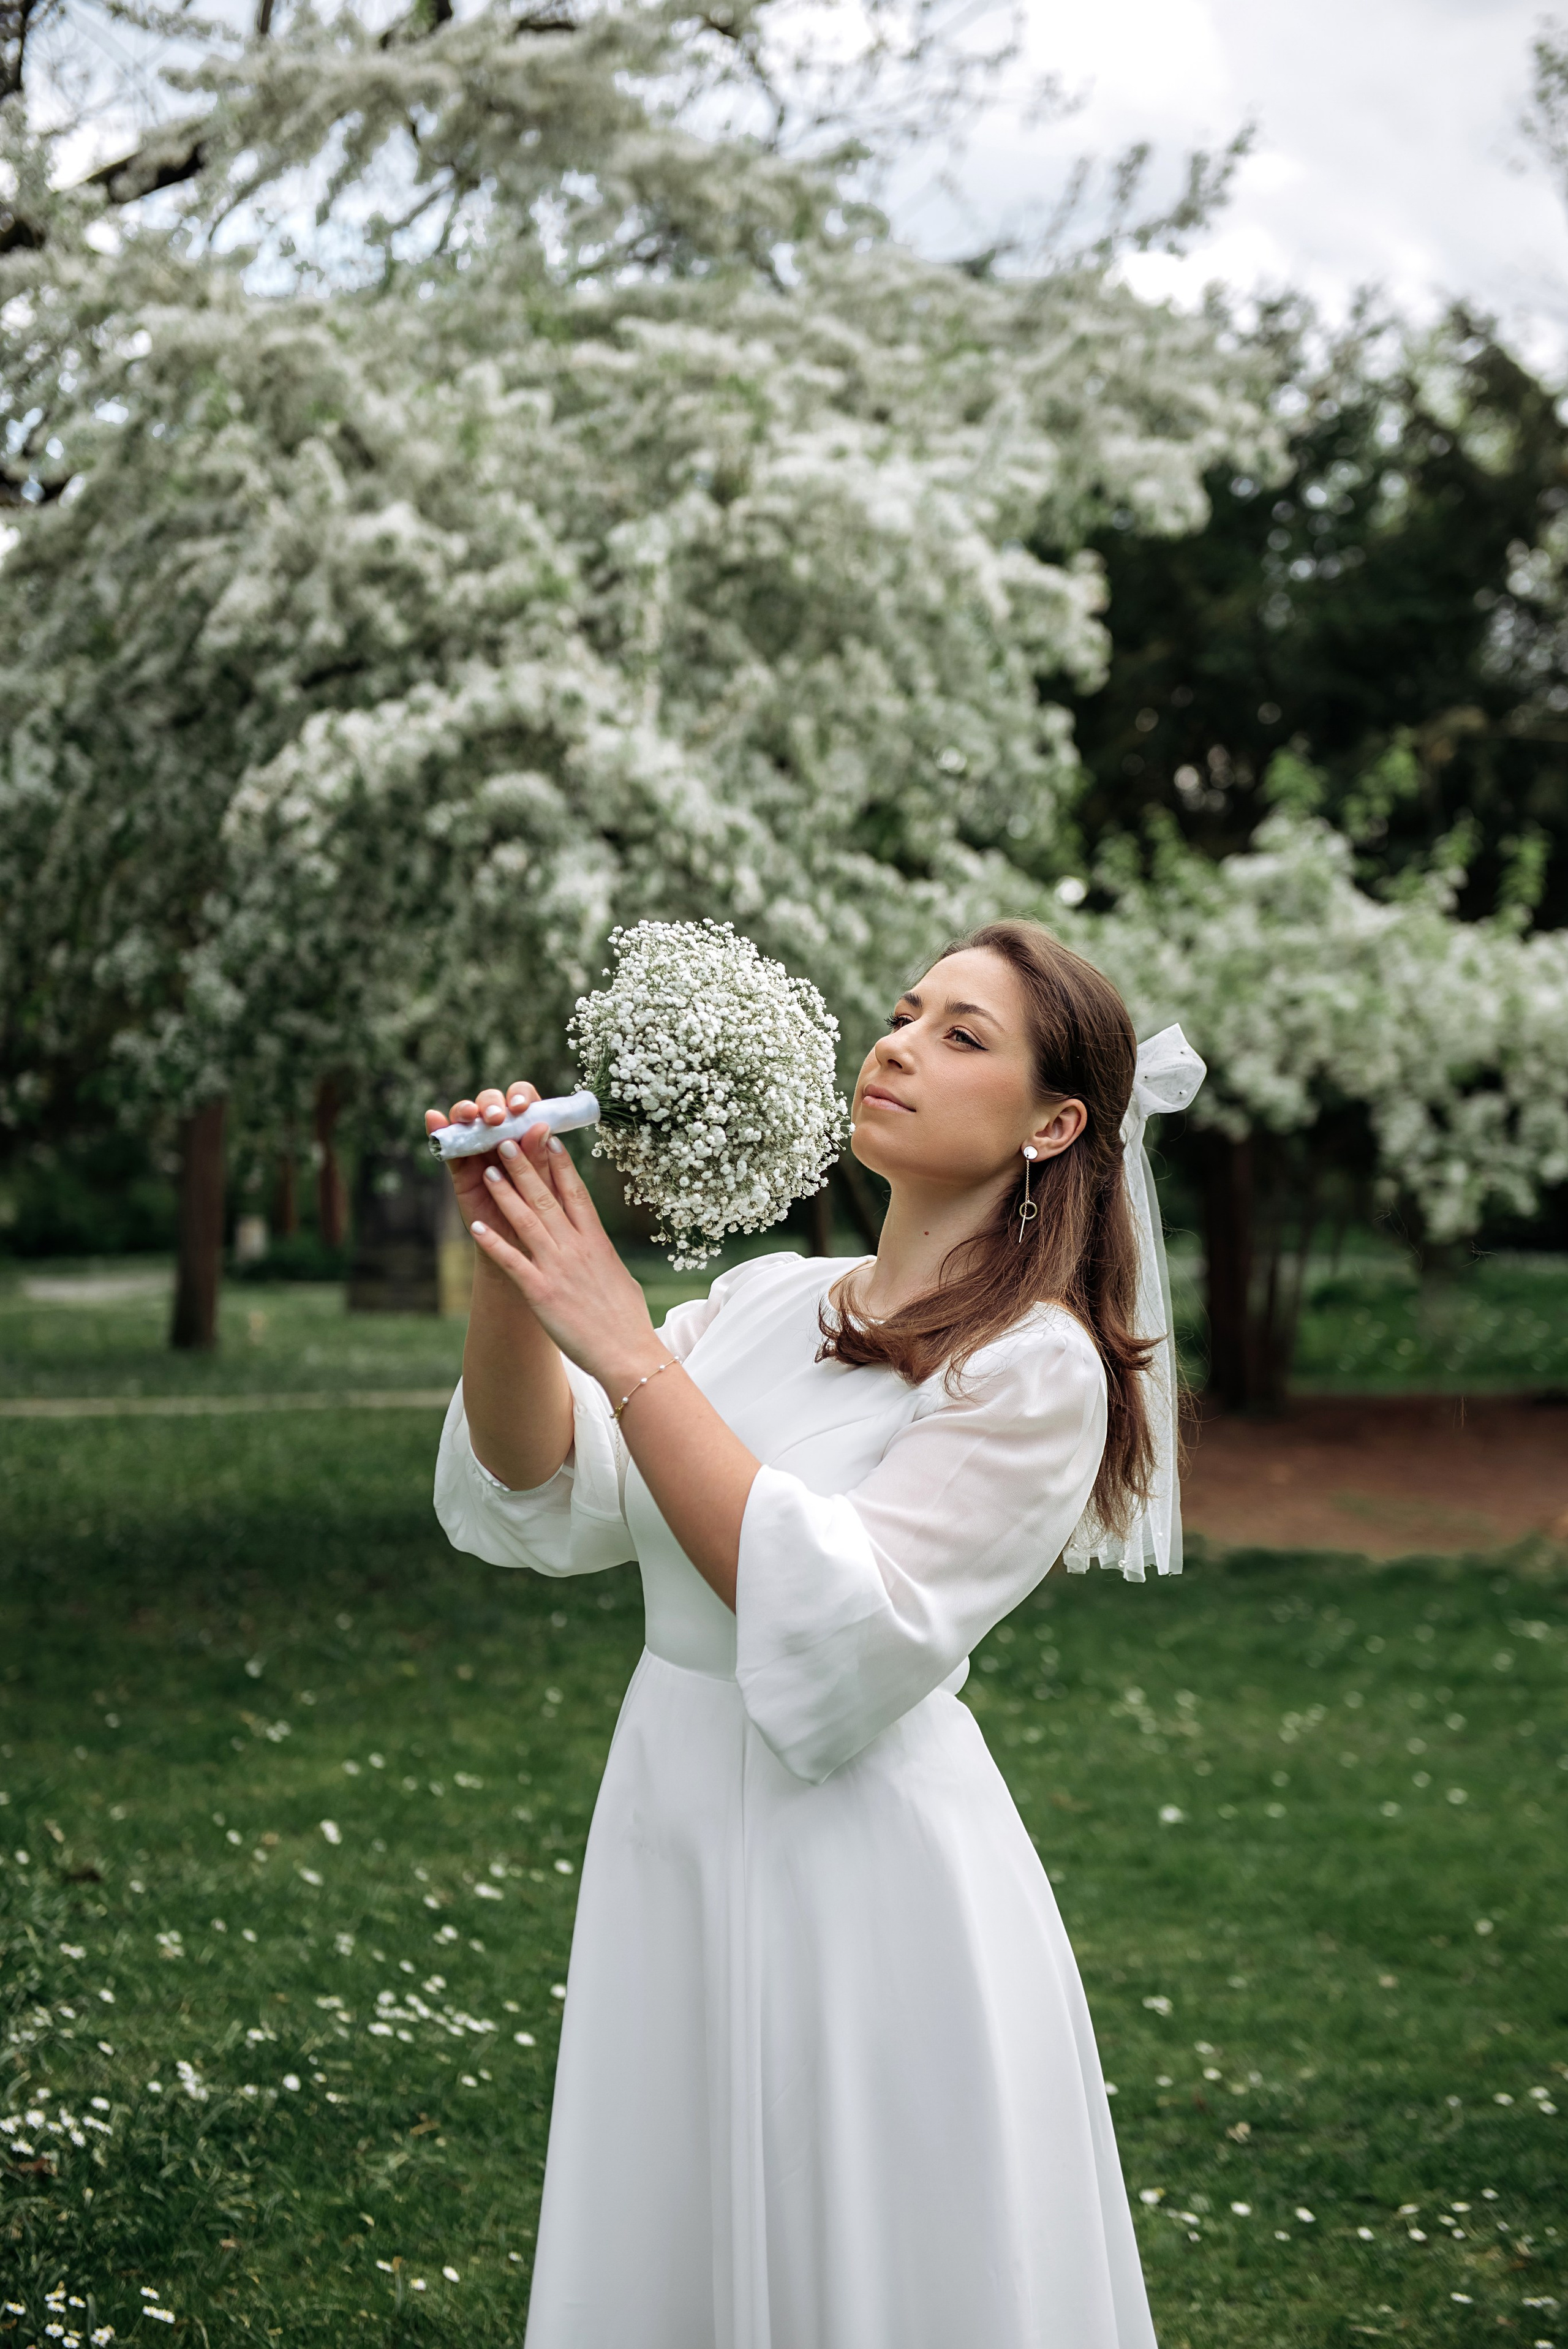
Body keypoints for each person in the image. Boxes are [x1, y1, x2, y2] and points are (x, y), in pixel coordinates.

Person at [428, 919, 1200, 2349]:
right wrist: (511, 1261)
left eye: (961, 1034)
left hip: (862, 1871)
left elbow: (835, 1622)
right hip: (668, 1816)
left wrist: (625, 1341)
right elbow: (546, 1488)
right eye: (904, 1013)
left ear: (1054, 1123)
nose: (898, 1042)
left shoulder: (1033, 1370)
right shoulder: (764, 1301)